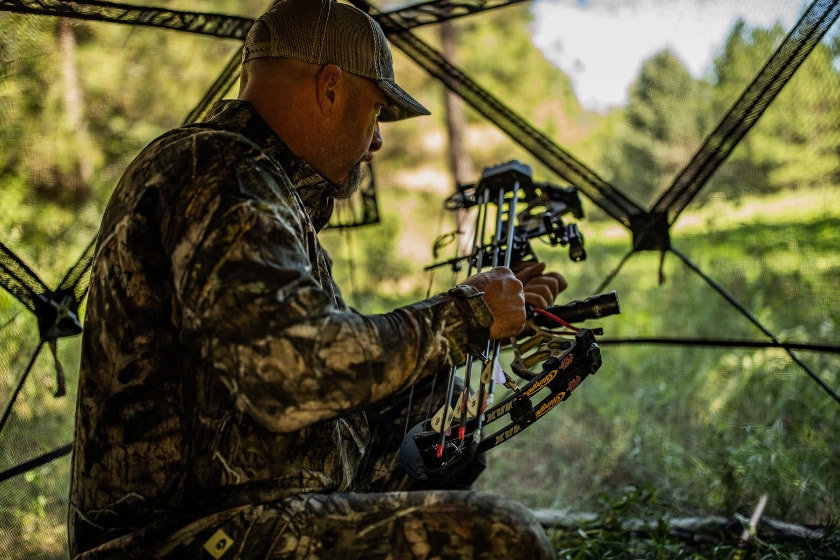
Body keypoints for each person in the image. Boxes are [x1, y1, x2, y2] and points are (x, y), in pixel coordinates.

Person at [68, 0, 567, 558]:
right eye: (376, 112)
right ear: (330, 88)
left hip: (245, 506)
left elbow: (322, 374)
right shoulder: (220, 170)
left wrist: (484, 327)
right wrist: (466, 313)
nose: (377, 140)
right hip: (176, 539)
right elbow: (291, 376)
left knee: (435, 418)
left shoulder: (255, 182)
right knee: (503, 538)